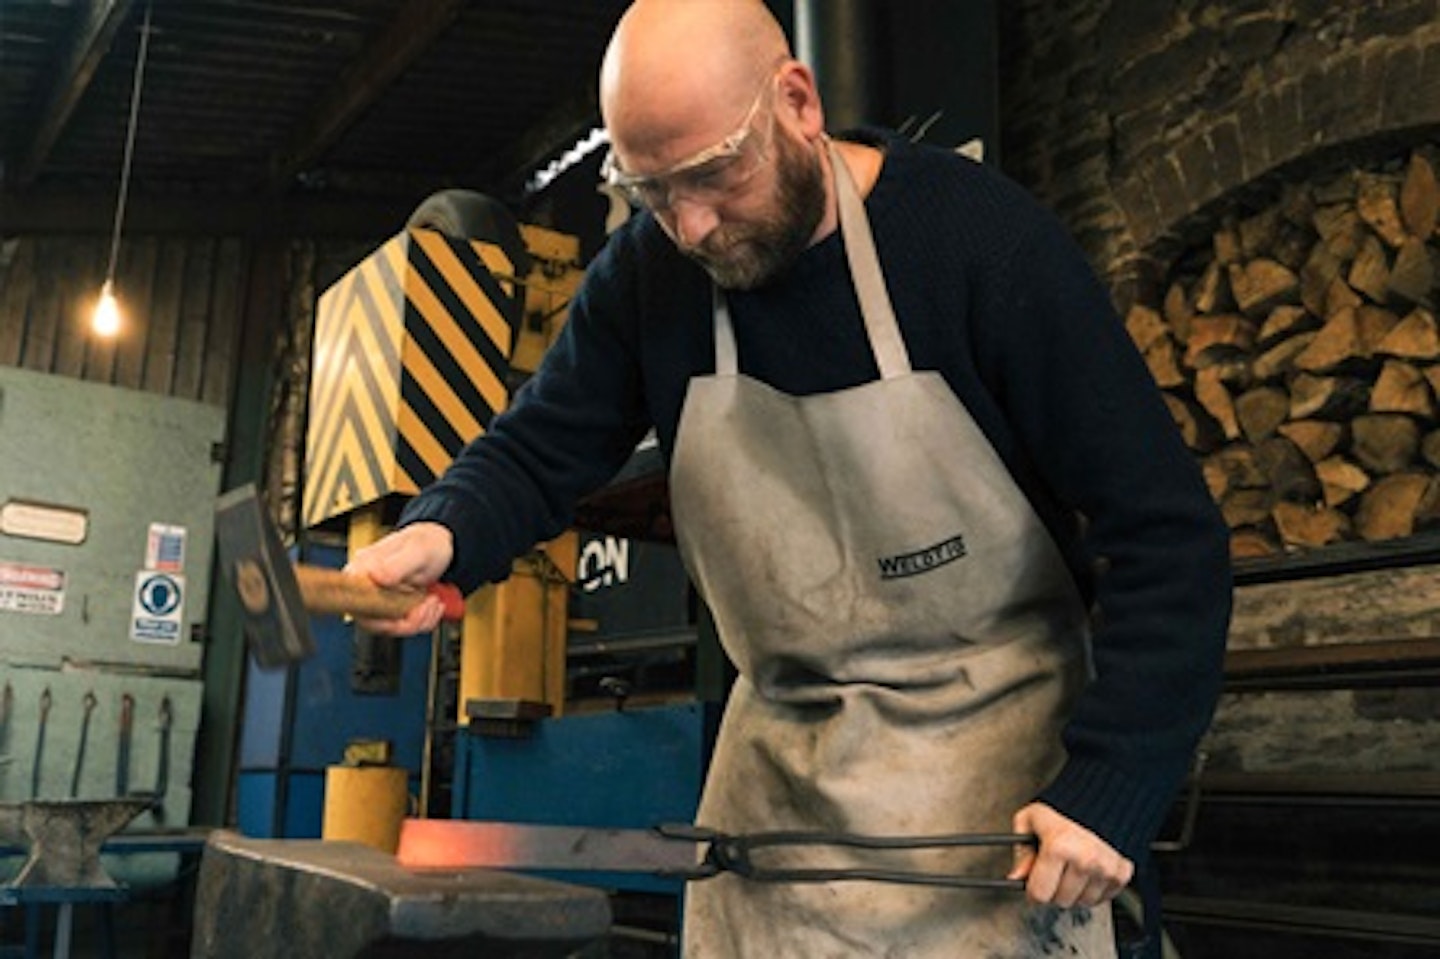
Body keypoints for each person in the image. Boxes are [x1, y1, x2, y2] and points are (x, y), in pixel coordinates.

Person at [346, 0, 1232, 955]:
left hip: (998, 797)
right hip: (777, 799)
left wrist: (1109, 787)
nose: (689, 226)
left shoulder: (979, 243)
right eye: (650, 191)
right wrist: (443, 533)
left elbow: (1167, 538)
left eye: (712, 175)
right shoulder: (651, 275)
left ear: (798, 102)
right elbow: (538, 444)